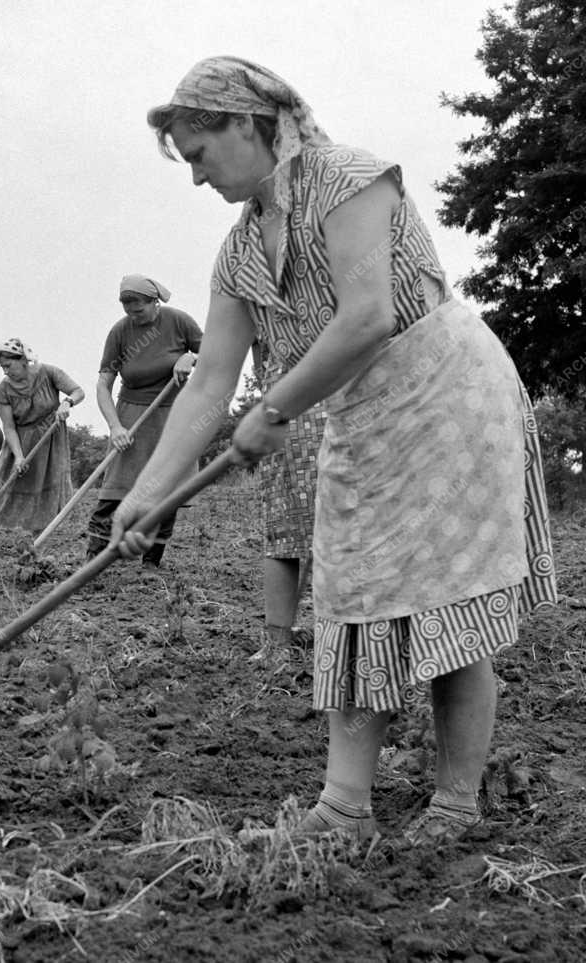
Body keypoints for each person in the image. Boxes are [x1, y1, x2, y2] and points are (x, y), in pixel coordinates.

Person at [113, 57, 557, 845]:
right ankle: (345, 805)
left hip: (446, 391)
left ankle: (454, 802)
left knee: (444, 594)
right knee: (355, 594)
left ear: (245, 125)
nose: (195, 178)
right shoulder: (242, 250)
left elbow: (368, 318)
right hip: (364, 412)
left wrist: (275, 406)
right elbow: (210, 381)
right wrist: (145, 495)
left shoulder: (350, 179)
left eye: (200, 155)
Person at [85, 275, 203, 569]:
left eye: (139, 310)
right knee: (116, 489)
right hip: (131, 414)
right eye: (128, 310)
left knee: (167, 489)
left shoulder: (179, 322)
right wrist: (115, 427)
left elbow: (214, 352)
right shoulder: (120, 332)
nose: (133, 316)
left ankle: (152, 562)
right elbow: (103, 385)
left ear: (155, 303)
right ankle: (93, 561)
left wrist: (190, 357)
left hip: (174, 414)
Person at [0, 339, 85, 556]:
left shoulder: (49, 373)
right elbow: (9, 427)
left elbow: (77, 391)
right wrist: (19, 456)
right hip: (19, 442)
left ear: (22, 361)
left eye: (8, 366)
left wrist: (67, 403)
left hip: (50, 441)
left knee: (45, 491)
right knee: (0, 490)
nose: (5, 372)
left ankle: (38, 549)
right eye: (2, 367)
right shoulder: (3, 390)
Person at [249, 338, 327, 664]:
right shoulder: (257, 298)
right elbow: (257, 353)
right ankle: (277, 642)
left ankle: (341, 640)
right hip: (282, 410)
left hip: (338, 401)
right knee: (281, 528)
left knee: (343, 531)